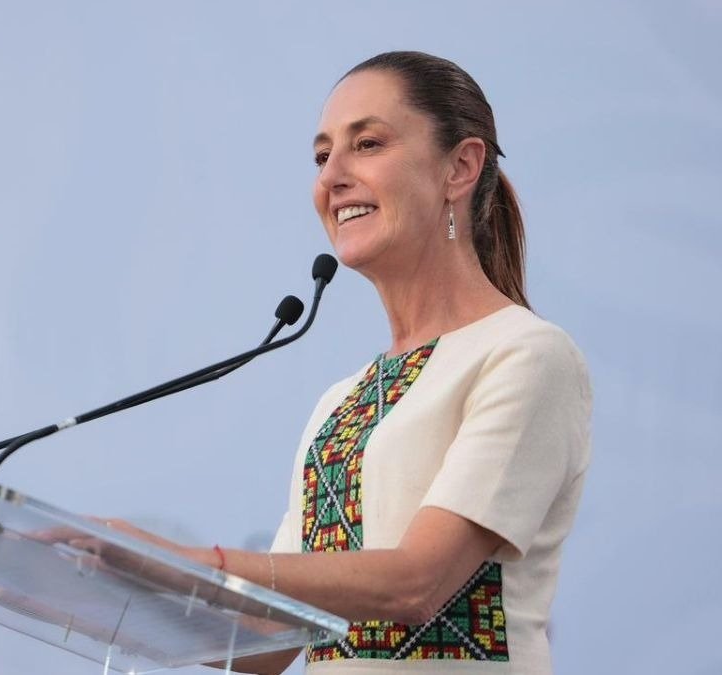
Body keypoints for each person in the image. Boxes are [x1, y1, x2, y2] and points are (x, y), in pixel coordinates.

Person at [98, 51, 592, 674]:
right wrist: (108, 590)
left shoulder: (525, 356)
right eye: (321, 155)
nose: (332, 176)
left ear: (460, 167)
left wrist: (189, 562)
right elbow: (268, 642)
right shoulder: (342, 401)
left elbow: (418, 583)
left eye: (368, 144)